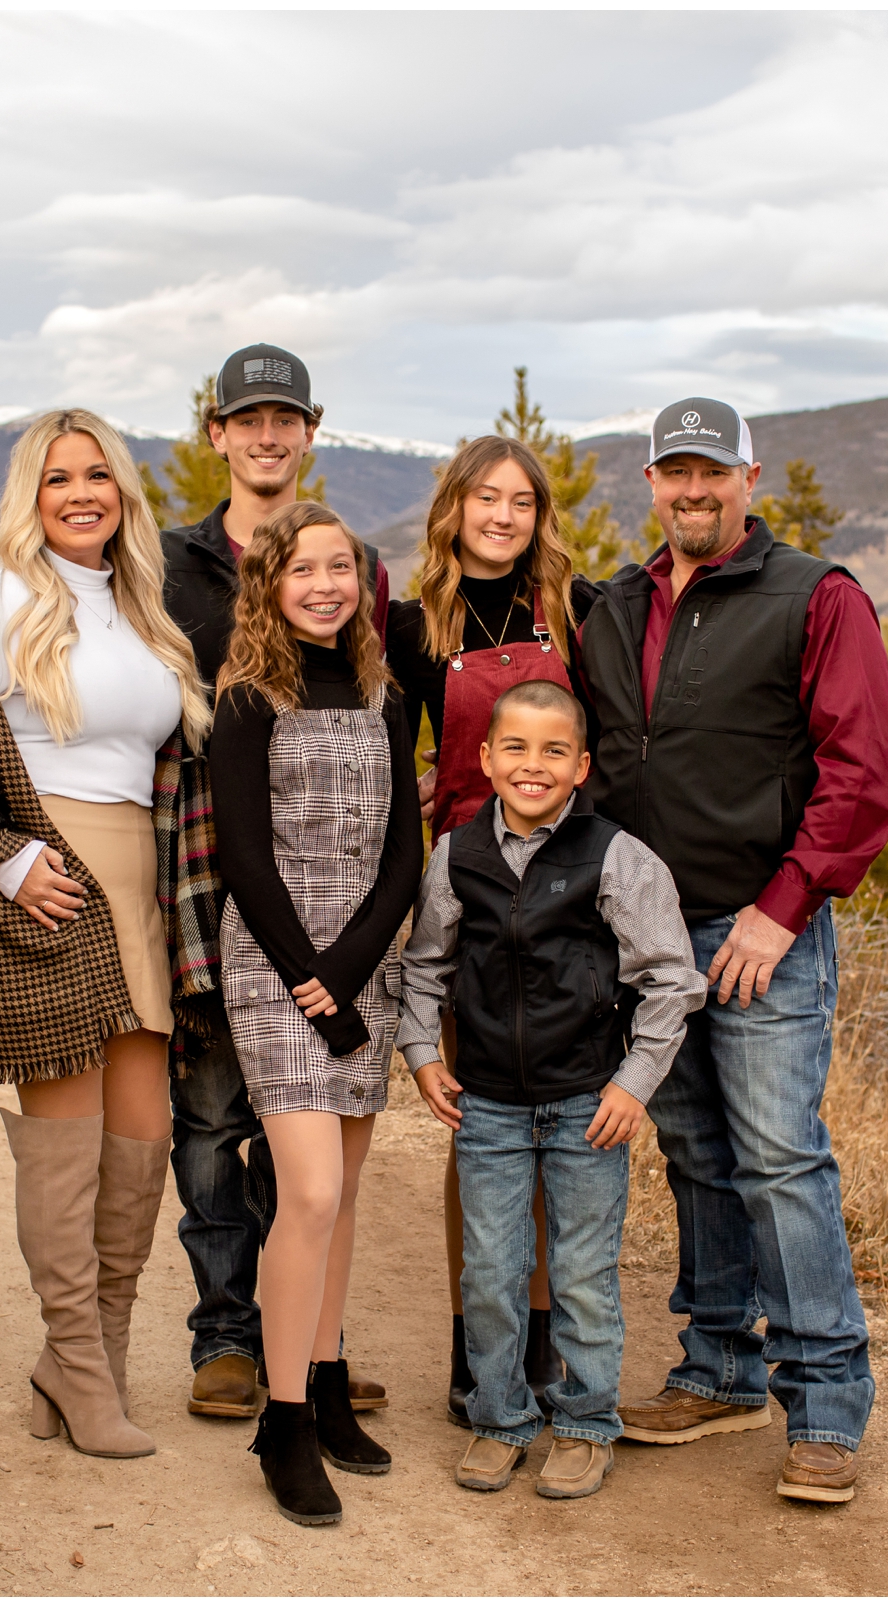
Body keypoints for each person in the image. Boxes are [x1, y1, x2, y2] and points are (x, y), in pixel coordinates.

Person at [0, 408, 218, 1460]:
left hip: (136, 887)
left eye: (99, 475)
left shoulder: (147, 612)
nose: (81, 493)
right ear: (31, 492)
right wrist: (4, 857)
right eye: (59, 477)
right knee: (65, 1141)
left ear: (124, 492)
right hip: (40, 882)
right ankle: (73, 1351)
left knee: (141, 1135)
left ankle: (88, 1363)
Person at [574, 396, 888, 1504]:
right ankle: (717, 1365)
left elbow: (859, 775)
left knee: (778, 1159)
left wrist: (785, 905)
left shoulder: (817, 596)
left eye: (714, 470)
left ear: (752, 478)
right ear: (651, 482)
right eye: (675, 471)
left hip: (760, 930)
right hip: (647, 939)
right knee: (698, 1153)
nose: (694, 490)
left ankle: (827, 1406)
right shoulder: (611, 607)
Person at [400, 679, 704, 1501]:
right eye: (517, 748)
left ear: (581, 767)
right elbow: (425, 964)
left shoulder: (616, 856)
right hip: (489, 1102)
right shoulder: (456, 854)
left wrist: (634, 1084)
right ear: (488, 759)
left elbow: (672, 980)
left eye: (554, 751)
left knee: (580, 1272)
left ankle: (584, 1423)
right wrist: (423, 1052)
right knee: (492, 1272)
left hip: (587, 1104)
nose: (534, 765)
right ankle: (500, 1420)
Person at [160, 344, 391, 1420]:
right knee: (211, 1113)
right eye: (245, 418)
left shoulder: (357, 572)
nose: (265, 435)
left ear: (310, 429)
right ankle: (227, 1337)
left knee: (320, 1158)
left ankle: (304, 1348)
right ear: (218, 432)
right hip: (216, 878)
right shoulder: (166, 567)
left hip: (347, 908)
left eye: (284, 418)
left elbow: (396, 706)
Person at [209, 502, 421, 1525]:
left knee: (346, 1188)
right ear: (271, 585)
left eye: (341, 567)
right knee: (311, 1191)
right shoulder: (249, 697)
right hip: (275, 962)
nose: (326, 584)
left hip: (365, 962)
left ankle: (329, 1383)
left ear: (363, 582)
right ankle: (281, 1420)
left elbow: (405, 854)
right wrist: (310, 978)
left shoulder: (386, 693)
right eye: (304, 570)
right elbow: (244, 858)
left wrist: (352, 971)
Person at [384, 434, 597, 1426]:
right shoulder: (411, 623)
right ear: (455, 507)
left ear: (539, 513)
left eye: (521, 500)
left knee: (560, 1122)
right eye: (486, 497)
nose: (504, 515)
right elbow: (387, 754)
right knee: (482, 1131)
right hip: (468, 890)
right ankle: (481, 1350)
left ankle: (547, 1344)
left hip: (569, 893)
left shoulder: (577, 611)